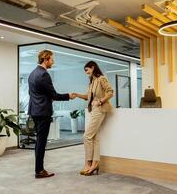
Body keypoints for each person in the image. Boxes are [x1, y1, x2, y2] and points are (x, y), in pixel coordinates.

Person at [28, 50, 76, 179]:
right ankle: (39, 170)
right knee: (41, 142)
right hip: (43, 112)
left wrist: (47, 98)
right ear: (45, 59)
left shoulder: (32, 74)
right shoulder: (44, 74)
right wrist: (68, 96)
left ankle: (38, 168)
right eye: (51, 59)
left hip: (34, 111)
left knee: (39, 141)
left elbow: (34, 94)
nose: (53, 62)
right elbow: (54, 95)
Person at [74, 61, 114, 176]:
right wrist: (77, 95)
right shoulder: (92, 82)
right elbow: (88, 97)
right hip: (93, 111)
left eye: (87, 70)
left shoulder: (101, 79)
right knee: (94, 137)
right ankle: (95, 163)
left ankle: (88, 163)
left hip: (100, 110)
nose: (86, 73)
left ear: (92, 67)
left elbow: (110, 92)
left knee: (86, 136)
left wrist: (100, 101)